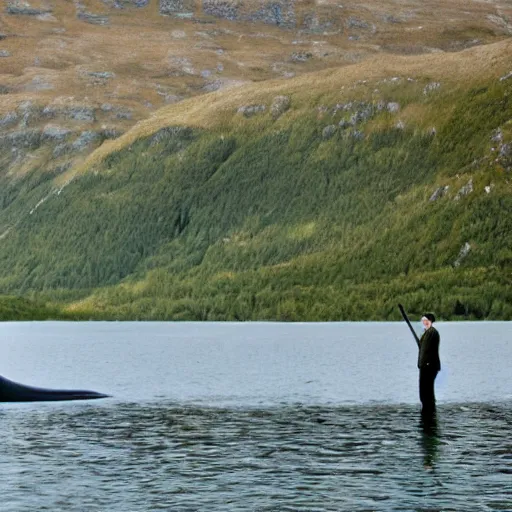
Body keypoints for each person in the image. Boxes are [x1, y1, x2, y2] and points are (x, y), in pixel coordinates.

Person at [418, 313, 441, 416]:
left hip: (429, 366)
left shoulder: (432, 333)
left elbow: (426, 349)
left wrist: (424, 364)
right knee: (424, 390)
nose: (424, 322)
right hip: (425, 365)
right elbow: (423, 348)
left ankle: (429, 410)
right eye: (423, 320)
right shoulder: (426, 333)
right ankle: (427, 409)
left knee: (427, 390)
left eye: (426, 320)